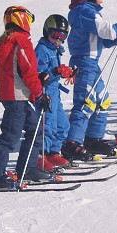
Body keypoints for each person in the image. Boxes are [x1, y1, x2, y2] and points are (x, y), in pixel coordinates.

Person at [63, 0, 117, 159]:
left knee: (102, 102)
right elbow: (108, 30)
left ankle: (93, 139)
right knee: (86, 103)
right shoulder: (84, 11)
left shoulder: (88, 11)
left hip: (92, 64)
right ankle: (72, 143)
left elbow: (102, 39)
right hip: (84, 63)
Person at [0, 6, 52, 188]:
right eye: (29, 20)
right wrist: (39, 94)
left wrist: (38, 80)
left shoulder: (9, 41)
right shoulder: (21, 41)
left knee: (35, 129)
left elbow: (20, 71)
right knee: (10, 137)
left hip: (15, 95)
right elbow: (28, 71)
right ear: (23, 20)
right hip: (18, 97)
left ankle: (27, 169)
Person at [34, 15, 75, 171]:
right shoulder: (42, 49)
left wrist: (67, 72)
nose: (58, 39)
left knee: (63, 125)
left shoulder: (55, 49)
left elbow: (54, 72)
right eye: (55, 35)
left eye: (62, 36)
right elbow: (38, 74)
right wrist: (56, 71)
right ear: (46, 32)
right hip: (45, 92)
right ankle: (40, 156)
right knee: (48, 125)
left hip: (54, 92)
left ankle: (53, 152)